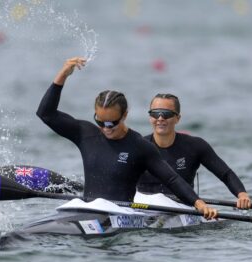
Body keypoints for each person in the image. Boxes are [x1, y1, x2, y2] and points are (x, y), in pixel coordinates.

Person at [36, 57, 218, 219]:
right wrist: (62, 76)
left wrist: (199, 204)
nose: (106, 128)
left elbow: (172, 179)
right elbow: (45, 114)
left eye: (112, 123)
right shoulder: (85, 133)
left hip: (120, 216)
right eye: (100, 122)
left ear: (124, 115)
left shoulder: (139, 146)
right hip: (87, 210)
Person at [137, 93, 252, 209]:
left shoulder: (195, 146)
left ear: (177, 118)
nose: (160, 118)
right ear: (150, 117)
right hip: (143, 206)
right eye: (155, 114)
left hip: (181, 208)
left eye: (166, 114)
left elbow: (226, 174)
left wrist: (242, 195)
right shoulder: (138, 147)